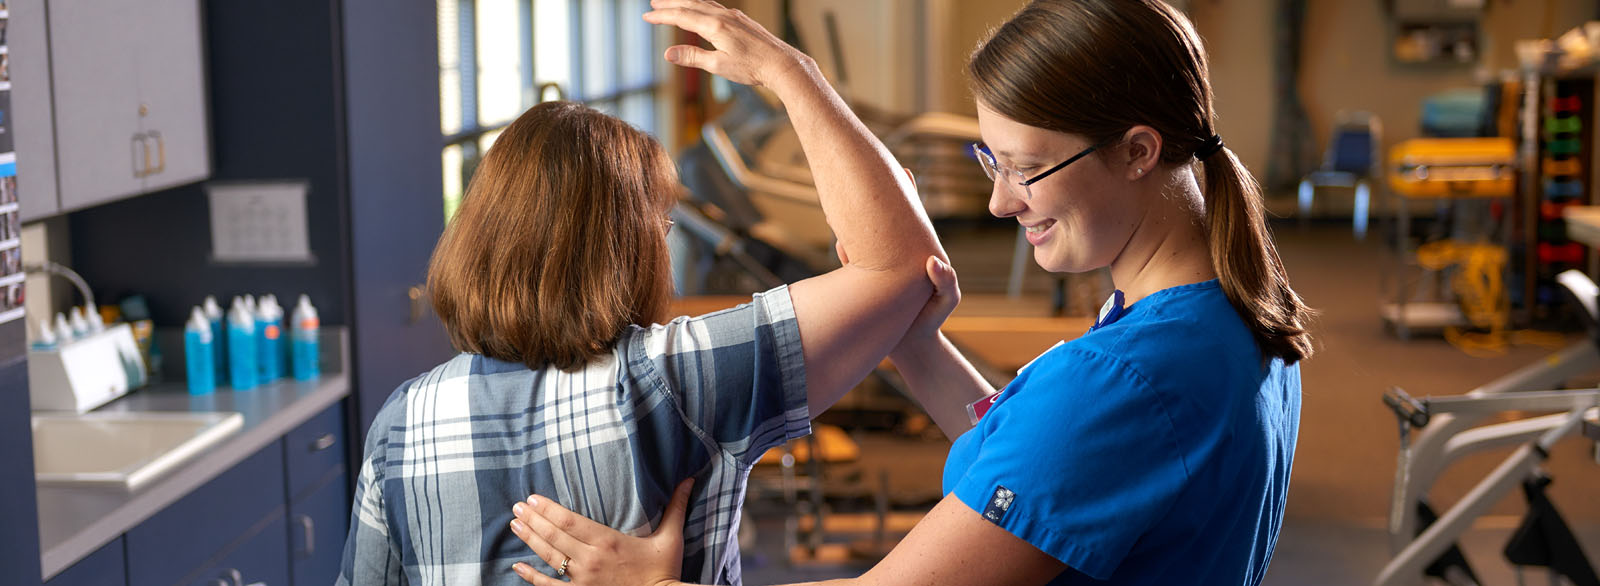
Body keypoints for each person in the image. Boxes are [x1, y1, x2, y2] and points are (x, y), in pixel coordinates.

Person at [506, 0, 1316, 585]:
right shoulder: (1237, 319)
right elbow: (1047, 467)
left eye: (1029, 168)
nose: (1002, 203)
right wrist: (917, 346)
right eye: (991, 163)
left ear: (1140, 150)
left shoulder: (1126, 381)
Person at [334, 47, 950, 585]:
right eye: (659, 225)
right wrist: (792, 74)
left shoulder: (401, 422)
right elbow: (903, 266)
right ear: (631, 246)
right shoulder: (677, 378)